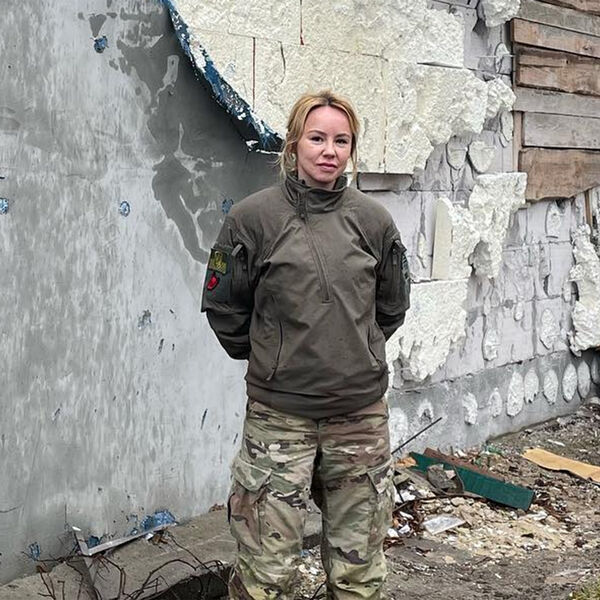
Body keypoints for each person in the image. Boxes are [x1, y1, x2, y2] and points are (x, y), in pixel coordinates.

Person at [201, 90, 411, 600]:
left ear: (352, 149)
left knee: (358, 574)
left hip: (359, 421)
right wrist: (274, 358)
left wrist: (354, 352)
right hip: (279, 421)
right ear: (293, 144)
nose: (329, 151)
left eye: (342, 141)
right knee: (266, 575)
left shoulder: (374, 221)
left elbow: (391, 307)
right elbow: (225, 307)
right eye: (317, 138)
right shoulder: (252, 219)